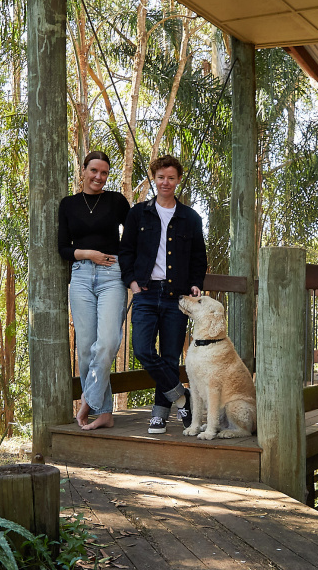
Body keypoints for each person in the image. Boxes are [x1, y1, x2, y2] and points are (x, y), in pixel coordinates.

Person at [119, 154, 207, 434]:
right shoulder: (138, 213)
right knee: (143, 350)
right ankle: (183, 397)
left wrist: (195, 283)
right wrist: (132, 283)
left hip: (176, 296)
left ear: (178, 180)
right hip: (145, 293)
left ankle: (159, 413)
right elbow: (126, 251)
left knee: (170, 356)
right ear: (154, 179)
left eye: (171, 178)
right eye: (161, 177)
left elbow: (198, 258)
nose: (165, 182)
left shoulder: (190, 218)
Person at [58, 151, 130, 430]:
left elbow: (135, 234)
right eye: (94, 171)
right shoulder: (68, 205)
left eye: (104, 173)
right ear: (83, 171)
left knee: (109, 342)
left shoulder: (116, 201)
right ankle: (104, 413)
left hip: (113, 276)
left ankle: (88, 401)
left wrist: (120, 259)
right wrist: (88, 253)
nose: (99, 177)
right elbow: (63, 248)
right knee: (86, 349)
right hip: (80, 277)